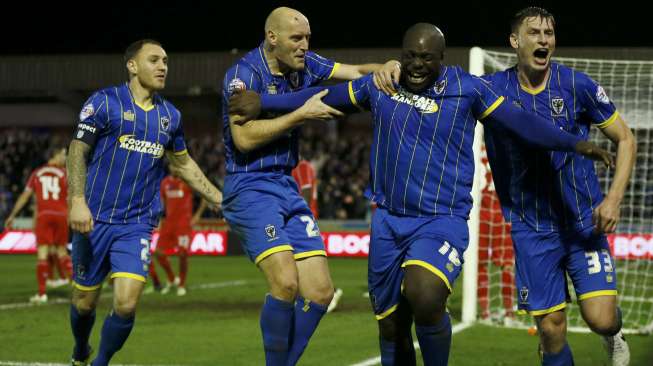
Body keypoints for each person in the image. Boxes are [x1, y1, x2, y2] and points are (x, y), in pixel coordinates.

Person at [229, 23, 613, 366]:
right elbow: (327, 98)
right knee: (391, 325)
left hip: (441, 220)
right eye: (409, 55)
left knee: (425, 294)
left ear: (442, 60)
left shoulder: (467, 89)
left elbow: (522, 123)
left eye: (426, 58)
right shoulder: (382, 84)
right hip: (388, 222)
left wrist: (573, 144)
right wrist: (265, 102)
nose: (415, 64)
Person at [221, 6, 400, 366]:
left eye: (307, 39)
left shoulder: (306, 64)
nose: (304, 46)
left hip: (286, 185)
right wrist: (300, 115)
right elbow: (243, 138)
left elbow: (356, 73)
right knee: (286, 283)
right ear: (273, 38)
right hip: (250, 185)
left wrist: (386, 67)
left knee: (319, 293)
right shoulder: (242, 75)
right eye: (296, 38)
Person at [481, 7, 635, 365]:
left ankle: (613, 333)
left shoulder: (577, 86)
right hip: (531, 227)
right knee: (551, 328)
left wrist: (613, 199)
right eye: (534, 33)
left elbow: (626, 139)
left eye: (548, 33)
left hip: (583, 221)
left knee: (601, 318)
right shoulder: (491, 90)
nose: (544, 40)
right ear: (514, 41)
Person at [67, 39, 222, 366]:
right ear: (132, 65)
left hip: (136, 224)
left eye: (165, 60)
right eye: (154, 60)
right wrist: (77, 201)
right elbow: (77, 151)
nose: (163, 66)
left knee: (126, 304)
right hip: (92, 219)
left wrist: (217, 197)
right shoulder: (104, 102)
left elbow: (182, 164)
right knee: (84, 302)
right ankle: (81, 348)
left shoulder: (170, 116)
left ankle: (101, 361)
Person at [4, 146, 70, 303]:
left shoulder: (37, 173)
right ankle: (78, 289)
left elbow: (25, 196)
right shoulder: (65, 174)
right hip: (61, 215)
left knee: (42, 252)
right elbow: (72, 196)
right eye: (63, 155)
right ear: (54, 155)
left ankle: (42, 294)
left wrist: (12, 215)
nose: (64, 158)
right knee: (62, 252)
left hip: (44, 215)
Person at [291, 158, 344, 313]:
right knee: (296, 260)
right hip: (301, 218)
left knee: (300, 260)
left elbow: (306, 192)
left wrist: (298, 214)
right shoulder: (299, 166)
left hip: (302, 219)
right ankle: (311, 295)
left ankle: (331, 292)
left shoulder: (301, 166)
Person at [148, 172, 208, 296]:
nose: (174, 167)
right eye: (171, 164)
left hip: (183, 225)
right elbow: (162, 204)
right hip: (168, 223)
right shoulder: (165, 182)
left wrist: (197, 215)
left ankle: (181, 285)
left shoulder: (188, 180)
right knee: (158, 252)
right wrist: (158, 219)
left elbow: (204, 196)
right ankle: (171, 279)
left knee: (183, 254)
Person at [476, 145, 515, 323]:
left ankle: (485, 313)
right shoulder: (503, 147)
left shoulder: (473, 147)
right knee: (507, 264)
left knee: (481, 264)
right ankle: (509, 313)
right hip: (500, 212)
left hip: (480, 213)